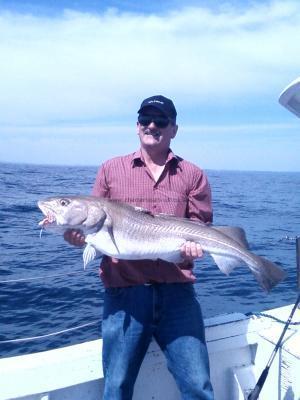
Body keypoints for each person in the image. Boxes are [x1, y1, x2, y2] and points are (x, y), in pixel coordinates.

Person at [64, 95, 214, 400]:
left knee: (198, 388)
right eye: (145, 119)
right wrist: (77, 236)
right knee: (116, 387)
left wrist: (193, 249)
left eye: (160, 121)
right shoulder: (110, 169)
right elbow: (92, 220)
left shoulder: (193, 174)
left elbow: (201, 226)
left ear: (174, 129)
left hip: (177, 295)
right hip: (124, 296)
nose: (152, 126)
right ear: (136, 126)